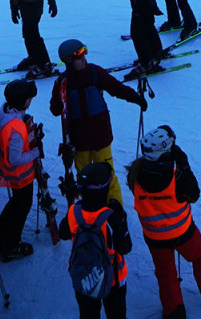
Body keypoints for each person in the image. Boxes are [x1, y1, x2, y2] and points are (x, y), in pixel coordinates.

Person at [128, 127, 201, 319]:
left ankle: (175, 318)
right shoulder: (176, 176)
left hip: (154, 237)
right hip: (182, 232)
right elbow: (194, 195)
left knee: (165, 274)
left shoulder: (135, 174)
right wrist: (184, 165)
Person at [50, 40, 147, 206]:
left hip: (100, 136)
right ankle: (90, 207)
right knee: (84, 175)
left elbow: (116, 88)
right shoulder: (63, 82)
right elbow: (55, 109)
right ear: (69, 61)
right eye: (79, 57)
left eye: (84, 54)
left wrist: (135, 98)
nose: (84, 59)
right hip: (79, 141)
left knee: (108, 173)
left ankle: (115, 207)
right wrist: (58, 105)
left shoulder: (94, 73)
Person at [61, 161, 133, 319]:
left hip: (83, 277)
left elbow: (63, 232)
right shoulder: (111, 217)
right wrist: (121, 218)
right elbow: (126, 247)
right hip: (113, 280)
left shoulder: (74, 212)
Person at [0, 79, 43, 260]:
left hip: (13, 174)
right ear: (21, 101)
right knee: (21, 208)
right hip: (20, 176)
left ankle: (0, 238)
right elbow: (15, 158)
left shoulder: (6, 113)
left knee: (15, 204)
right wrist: (36, 152)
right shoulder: (15, 127)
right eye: (29, 99)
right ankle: (11, 245)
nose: (30, 102)